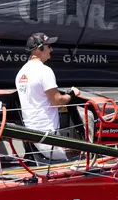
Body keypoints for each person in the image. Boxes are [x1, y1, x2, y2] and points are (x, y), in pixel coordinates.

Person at [14, 32, 80, 161]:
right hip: (47, 134)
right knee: (77, 159)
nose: (51, 50)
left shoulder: (21, 72)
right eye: (49, 46)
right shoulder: (44, 71)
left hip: (31, 133)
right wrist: (72, 94)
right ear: (40, 49)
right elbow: (57, 101)